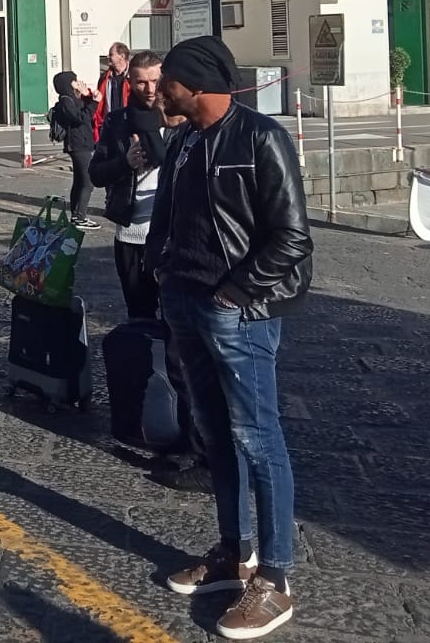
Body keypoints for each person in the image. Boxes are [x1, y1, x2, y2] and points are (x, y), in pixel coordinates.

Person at [149, 36, 311, 640]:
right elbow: (168, 215)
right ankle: (231, 552)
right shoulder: (184, 140)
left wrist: (236, 293)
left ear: (195, 85)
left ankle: (275, 577)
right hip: (185, 300)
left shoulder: (261, 137)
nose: (156, 90)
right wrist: (162, 268)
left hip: (236, 309)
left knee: (258, 437)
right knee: (214, 433)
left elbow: (292, 235)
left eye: (167, 81)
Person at [90, 51, 178, 319]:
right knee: (139, 315)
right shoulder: (118, 121)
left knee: (177, 316)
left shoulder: (179, 119)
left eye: (155, 80)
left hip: (170, 235)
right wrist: (125, 163)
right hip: (129, 234)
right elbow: (95, 174)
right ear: (130, 81)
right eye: (142, 82)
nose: (150, 89)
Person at [51, 70, 100, 230]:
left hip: (82, 143)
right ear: (66, 84)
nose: (78, 82)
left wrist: (86, 96)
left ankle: (76, 214)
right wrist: (94, 103)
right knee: (88, 181)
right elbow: (80, 118)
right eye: (74, 80)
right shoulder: (66, 101)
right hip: (78, 145)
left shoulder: (72, 99)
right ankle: (80, 216)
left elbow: (84, 113)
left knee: (79, 181)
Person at [94, 42, 133, 140]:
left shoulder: (133, 76)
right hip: (110, 125)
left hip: (129, 124)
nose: (108, 57)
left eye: (111, 54)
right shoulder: (105, 77)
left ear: (122, 56)